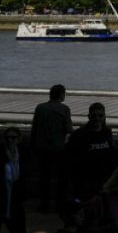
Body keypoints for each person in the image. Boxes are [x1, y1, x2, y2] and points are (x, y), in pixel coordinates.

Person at [32, 84, 73, 212]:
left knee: (44, 178)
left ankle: (44, 203)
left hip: (42, 148)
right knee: (61, 178)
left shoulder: (40, 108)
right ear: (61, 95)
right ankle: (59, 203)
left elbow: (34, 128)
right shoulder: (64, 109)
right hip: (58, 149)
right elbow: (69, 129)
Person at [67, 102, 118, 201]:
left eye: (100, 115)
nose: (97, 118)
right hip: (85, 181)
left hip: (104, 180)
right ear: (89, 116)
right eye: (94, 115)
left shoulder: (107, 133)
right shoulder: (79, 135)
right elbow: (72, 159)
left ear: (104, 117)